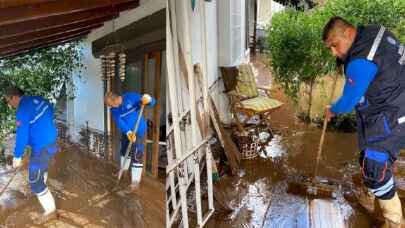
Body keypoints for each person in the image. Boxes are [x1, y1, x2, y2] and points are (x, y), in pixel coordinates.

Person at [323, 16, 405, 227]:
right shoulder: (373, 31)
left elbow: (348, 102)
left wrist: (332, 110)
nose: (333, 52)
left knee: (375, 167)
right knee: (367, 156)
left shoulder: (360, 61)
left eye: (334, 45)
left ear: (349, 34)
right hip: (392, 99)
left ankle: (394, 222)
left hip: (393, 112)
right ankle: (370, 198)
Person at [5, 86, 59, 223]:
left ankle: (51, 211)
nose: (9, 104)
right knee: (42, 169)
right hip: (52, 141)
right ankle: (43, 189)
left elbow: (21, 136)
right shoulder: (38, 99)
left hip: (42, 147)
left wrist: (17, 157)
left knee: (34, 181)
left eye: (8, 100)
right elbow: (50, 113)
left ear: (14, 97)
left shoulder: (22, 111)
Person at [104, 91, 155, 190]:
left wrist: (148, 99)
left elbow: (152, 102)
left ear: (117, 98)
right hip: (127, 133)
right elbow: (120, 122)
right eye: (109, 106)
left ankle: (135, 181)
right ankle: (123, 170)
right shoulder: (114, 110)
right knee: (124, 151)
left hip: (139, 130)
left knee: (137, 154)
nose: (111, 107)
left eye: (111, 104)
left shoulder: (130, 97)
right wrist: (128, 132)